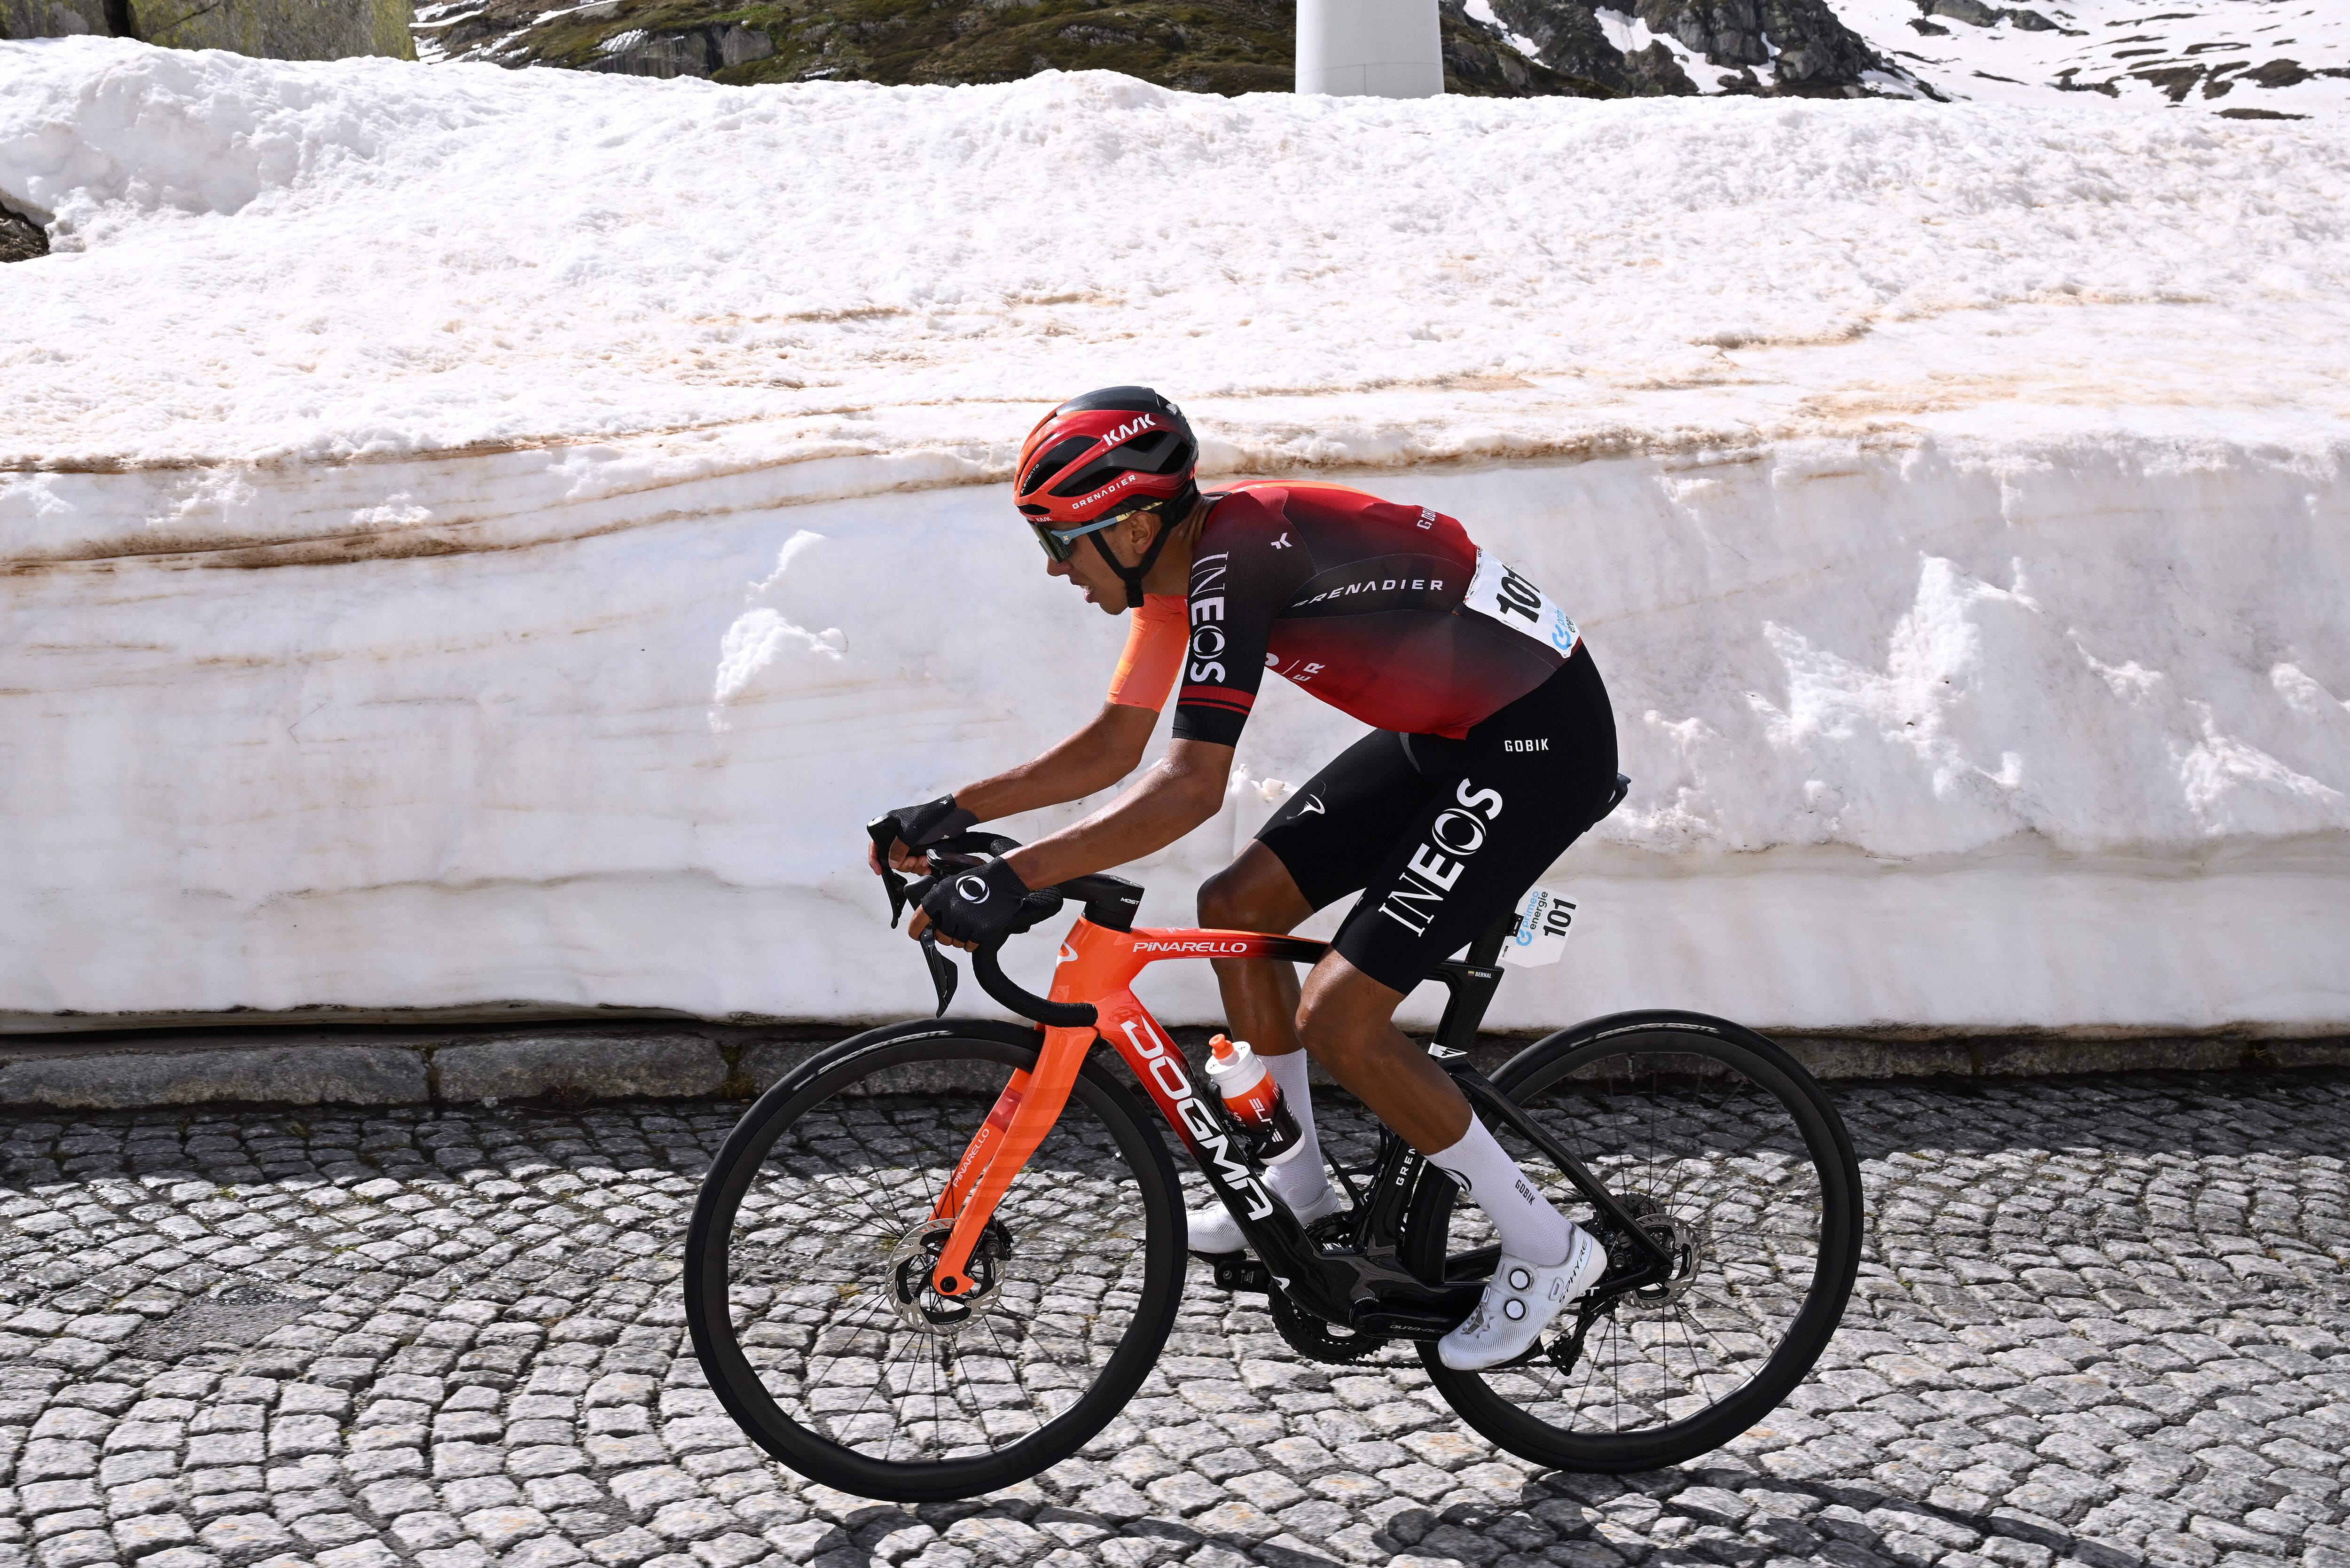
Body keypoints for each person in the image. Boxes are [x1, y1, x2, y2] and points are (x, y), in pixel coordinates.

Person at [867, 386, 1621, 1372]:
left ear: (1132, 524)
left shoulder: (1237, 556)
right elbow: (1112, 748)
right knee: (1237, 905)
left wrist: (1017, 876)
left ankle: (1548, 1245)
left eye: (1060, 544)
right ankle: (1300, 1184)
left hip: (1536, 745)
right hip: (1454, 736)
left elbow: (1186, 789)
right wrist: (957, 815)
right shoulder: (1182, 565)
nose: (1054, 570)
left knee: (1341, 1019)